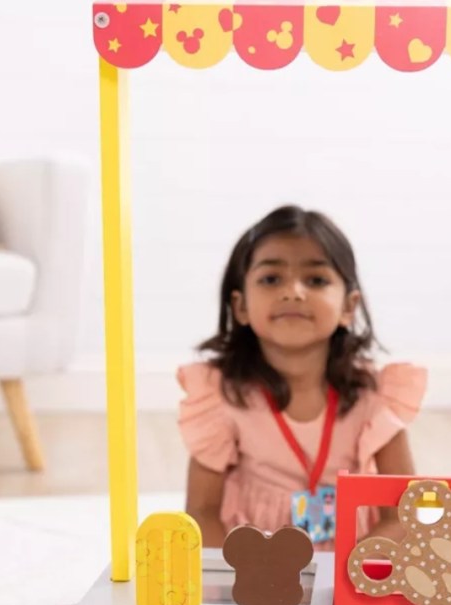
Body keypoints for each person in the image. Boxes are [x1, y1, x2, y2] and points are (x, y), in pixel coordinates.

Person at [178, 204, 427, 548]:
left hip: (353, 572)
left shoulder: (377, 395)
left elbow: (401, 514)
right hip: (253, 571)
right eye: (271, 279)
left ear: (348, 307)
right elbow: (201, 513)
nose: (293, 291)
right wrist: (239, 579)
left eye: (316, 280)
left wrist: (354, 574)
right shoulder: (219, 396)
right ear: (241, 307)